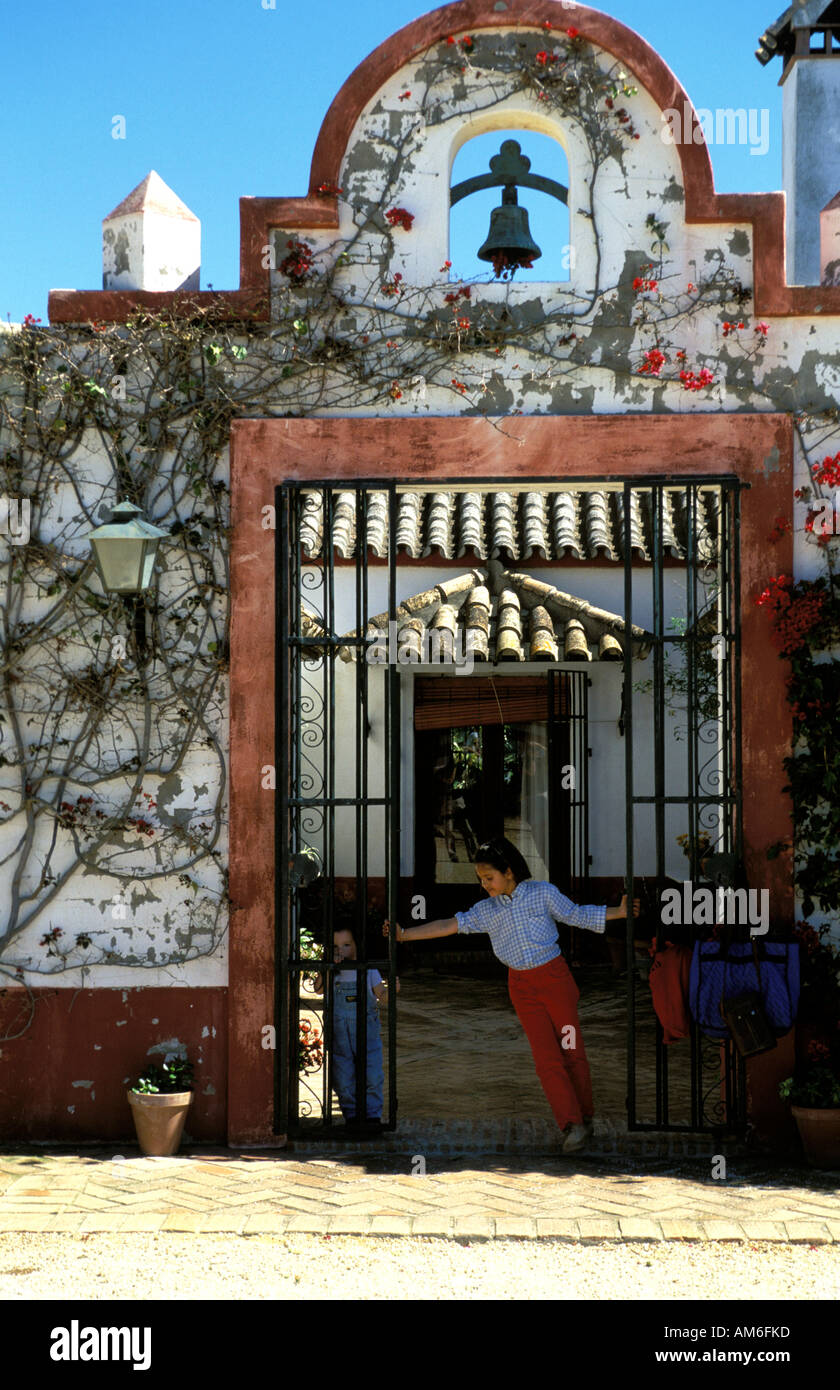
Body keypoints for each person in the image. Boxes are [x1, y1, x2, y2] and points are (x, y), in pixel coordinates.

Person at [384, 836, 639, 1153]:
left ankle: (586, 1117)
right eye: (481, 880)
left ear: (508, 871)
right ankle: (571, 1125)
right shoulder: (486, 910)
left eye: (489, 878)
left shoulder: (543, 893)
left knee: (572, 1049)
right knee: (546, 1059)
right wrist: (405, 935)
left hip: (556, 981)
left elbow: (576, 914)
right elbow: (451, 924)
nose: (485, 885)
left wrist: (619, 911)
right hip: (521, 988)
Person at [314, 923, 398, 1132]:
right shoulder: (333, 973)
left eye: (346, 945)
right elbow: (318, 989)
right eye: (335, 947)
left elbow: (382, 996)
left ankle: (372, 1116)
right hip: (340, 1032)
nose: (340, 951)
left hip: (366, 1029)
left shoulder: (368, 970)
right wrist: (327, 968)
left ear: (357, 946)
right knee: (342, 1074)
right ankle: (351, 1114)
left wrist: (392, 990)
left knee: (372, 1072)